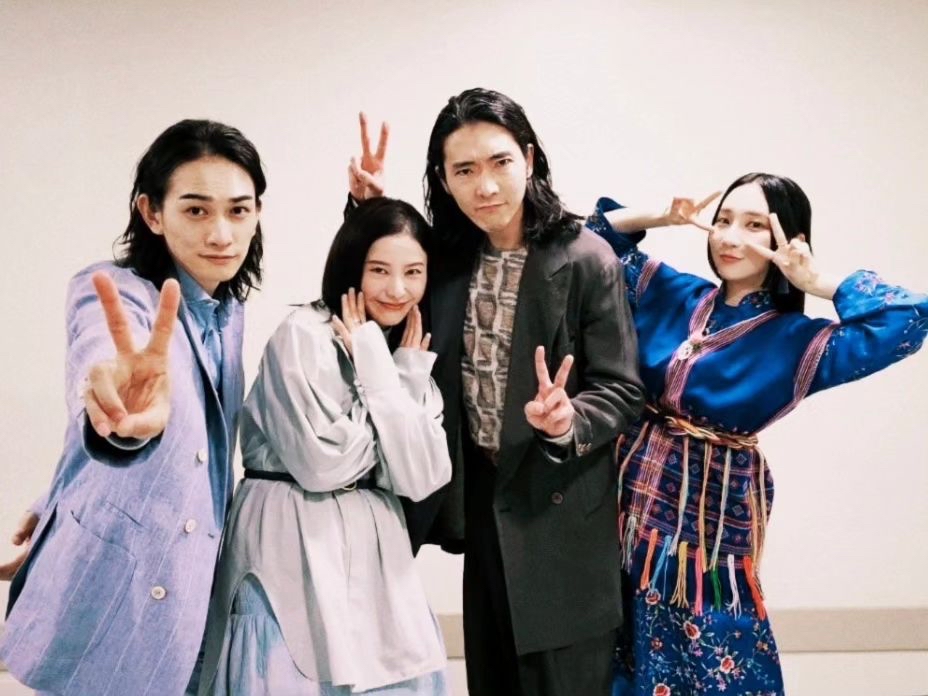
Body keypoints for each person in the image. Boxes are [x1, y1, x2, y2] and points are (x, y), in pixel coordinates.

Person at [586, 173, 928, 695]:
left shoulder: (795, 340)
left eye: (752, 226)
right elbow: (591, 240)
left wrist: (818, 281)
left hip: (708, 523)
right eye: (723, 221)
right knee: (614, 641)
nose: (729, 237)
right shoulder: (673, 294)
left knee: (713, 643)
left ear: (785, 238)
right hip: (623, 498)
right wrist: (662, 216)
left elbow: (907, 320)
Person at [352, 90, 646, 695]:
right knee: (491, 676)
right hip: (483, 498)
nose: (485, 186)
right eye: (464, 170)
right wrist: (365, 215)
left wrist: (567, 420)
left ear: (529, 160)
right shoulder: (446, 259)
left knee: (564, 682)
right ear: (444, 180)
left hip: (560, 502)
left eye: (500, 162)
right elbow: (380, 292)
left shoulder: (586, 259)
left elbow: (621, 389)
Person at [0, 119, 265, 695]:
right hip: (111, 594)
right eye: (196, 210)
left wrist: (60, 494)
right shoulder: (115, 291)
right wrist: (120, 416)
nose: (221, 232)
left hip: (189, 590)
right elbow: (106, 373)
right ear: (152, 212)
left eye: (238, 210)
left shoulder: (228, 312)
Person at [197, 197, 452, 695]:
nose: (397, 289)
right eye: (379, 270)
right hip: (291, 530)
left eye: (413, 273)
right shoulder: (304, 335)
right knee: (290, 669)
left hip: (376, 546)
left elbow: (423, 477)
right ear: (352, 266)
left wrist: (387, 371)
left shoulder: (404, 349)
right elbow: (321, 464)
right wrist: (395, 417)